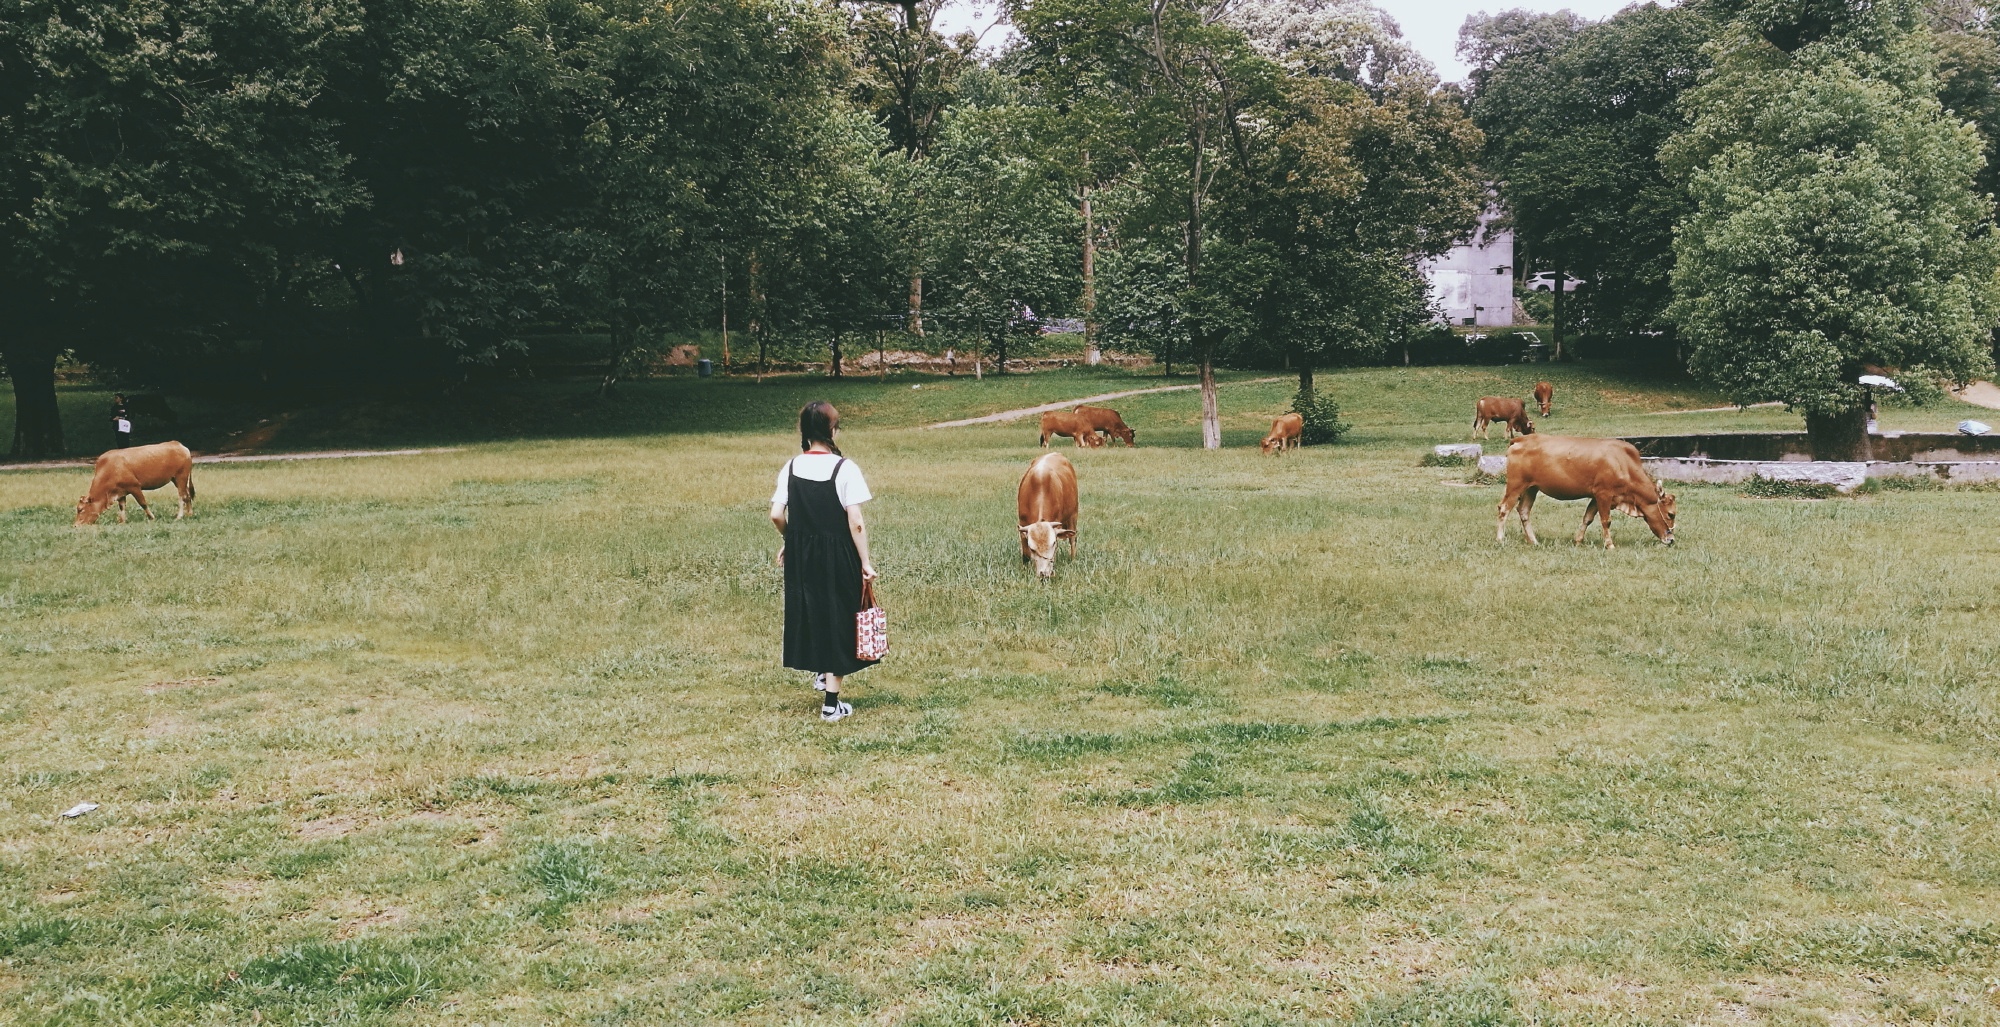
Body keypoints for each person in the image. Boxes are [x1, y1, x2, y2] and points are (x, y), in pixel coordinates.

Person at [770, 401, 878, 721]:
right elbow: (855, 522)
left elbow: (776, 514)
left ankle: (821, 673)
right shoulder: (844, 468)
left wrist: (791, 541)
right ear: (832, 430)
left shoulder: (791, 467)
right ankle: (831, 705)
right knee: (839, 618)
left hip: (802, 558)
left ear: (804, 431)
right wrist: (865, 562)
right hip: (838, 555)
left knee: (812, 610)